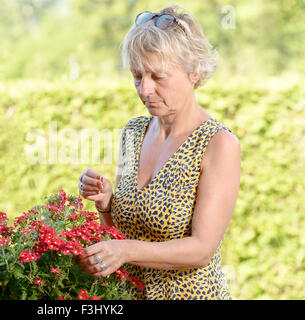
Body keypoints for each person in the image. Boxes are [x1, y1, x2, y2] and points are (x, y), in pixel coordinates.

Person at [76, 4, 241, 300]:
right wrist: (106, 204)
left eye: (158, 76)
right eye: (137, 76)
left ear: (195, 71)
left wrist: (126, 251)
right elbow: (121, 235)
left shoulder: (218, 144)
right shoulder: (133, 133)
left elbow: (202, 249)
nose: (144, 90)